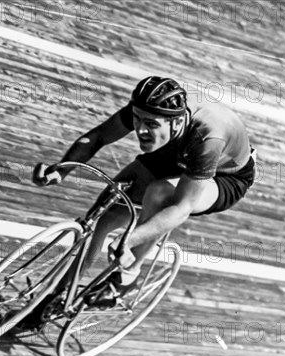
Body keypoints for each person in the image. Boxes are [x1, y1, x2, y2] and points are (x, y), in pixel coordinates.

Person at [32, 76, 256, 308]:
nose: (140, 130)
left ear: (177, 122)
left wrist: (129, 240)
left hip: (224, 175)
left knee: (160, 194)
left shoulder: (208, 136)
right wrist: (61, 169)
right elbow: (99, 136)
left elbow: (181, 208)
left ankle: (128, 276)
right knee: (103, 216)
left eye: (151, 124)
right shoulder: (150, 107)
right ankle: (56, 296)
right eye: (137, 120)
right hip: (173, 150)